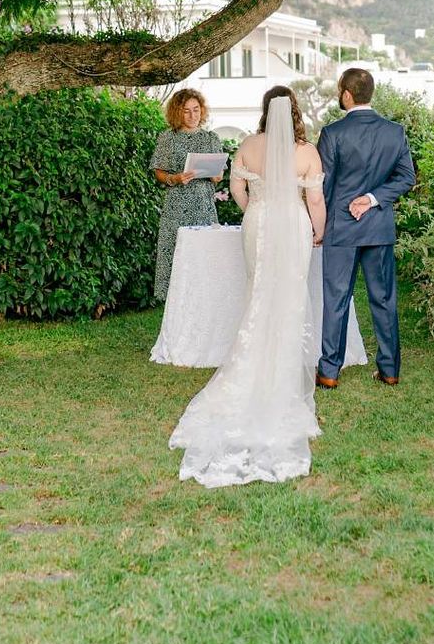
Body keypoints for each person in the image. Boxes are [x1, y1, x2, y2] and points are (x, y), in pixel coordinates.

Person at [169, 85, 326, 487]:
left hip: (258, 225)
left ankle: (252, 370)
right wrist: (318, 233)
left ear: (263, 109)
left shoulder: (248, 145)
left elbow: (237, 189)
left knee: (259, 292)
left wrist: (255, 210)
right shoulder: (306, 152)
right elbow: (315, 202)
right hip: (292, 225)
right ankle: (282, 375)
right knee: (289, 295)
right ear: (294, 112)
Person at [316, 67, 416, 388]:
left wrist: (317, 226)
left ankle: (329, 372)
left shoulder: (332, 134)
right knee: (384, 299)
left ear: (346, 94)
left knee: (336, 300)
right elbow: (406, 178)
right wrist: (373, 198)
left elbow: (323, 188)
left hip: (341, 230)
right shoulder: (395, 132)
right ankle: (390, 370)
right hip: (378, 229)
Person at [150, 88, 223, 302]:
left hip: (204, 206)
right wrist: (175, 179)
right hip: (177, 207)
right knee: (177, 253)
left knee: (204, 256)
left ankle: (204, 304)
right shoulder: (167, 138)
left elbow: (218, 177)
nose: (193, 116)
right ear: (177, 113)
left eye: (196, 110)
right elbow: (158, 171)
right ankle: (177, 304)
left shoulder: (211, 138)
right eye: (187, 111)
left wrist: (213, 175)